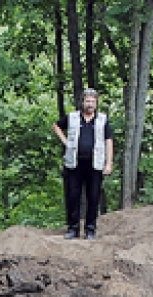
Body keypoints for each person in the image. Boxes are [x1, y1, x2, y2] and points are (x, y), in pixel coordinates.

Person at [52, 89, 114, 239]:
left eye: (93, 101)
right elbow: (56, 126)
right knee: (73, 196)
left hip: (95, 164)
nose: (90, 104)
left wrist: (109, 163)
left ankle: (90, 230)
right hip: (74, 163)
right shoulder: (73, 117)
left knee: (93, 198)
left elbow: (109, 141)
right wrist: (66, 141)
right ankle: (73, 229)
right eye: (87, 101)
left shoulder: (102, 120)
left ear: (96, 103)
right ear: (82, 102)